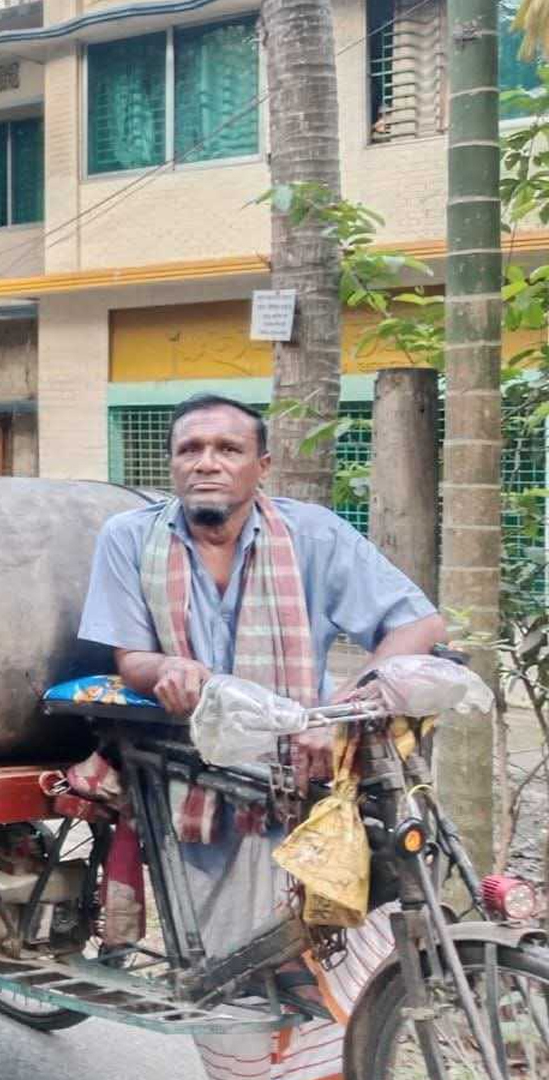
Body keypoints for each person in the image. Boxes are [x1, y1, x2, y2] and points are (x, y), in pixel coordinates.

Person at [77, 392, 447, 1080]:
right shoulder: (131, 537)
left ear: (262, 465)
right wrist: (169, 668)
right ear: (172, 464)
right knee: (226, 976)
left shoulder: (313, 534)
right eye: (190, 450)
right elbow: (131, 659)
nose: (206, 464)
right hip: (184, 769)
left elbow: (417, 626)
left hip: (298, 759)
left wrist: (351, 700)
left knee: (338, 940)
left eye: (227, 450)